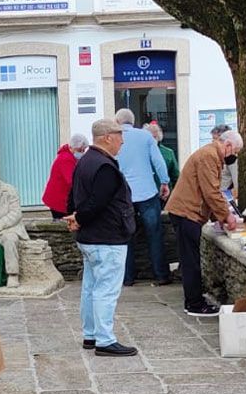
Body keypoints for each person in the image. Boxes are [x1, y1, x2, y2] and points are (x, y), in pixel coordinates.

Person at [64, 118, 138, 357]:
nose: (122, 141)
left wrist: (75, 217)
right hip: (106, 238)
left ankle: (91, 335)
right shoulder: (104, 166)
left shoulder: (85, 161)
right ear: (107, 137)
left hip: (90, 238)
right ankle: (105, 340)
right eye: (119, 135)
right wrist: (80, 218)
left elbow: (73, 196)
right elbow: (98, 202)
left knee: (90, 287)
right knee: (106, 289)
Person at [165, 130, 243, 317]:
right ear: (228, 145)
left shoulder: (210, 154)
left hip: (186, 212)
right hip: (187, 213)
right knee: (191, 261)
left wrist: (219, 217)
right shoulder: (209, 156)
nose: (234, 156)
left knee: (190, 259)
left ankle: (194, 299)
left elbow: (209, 193)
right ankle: (194, 304)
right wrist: (227, 217)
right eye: (236, 151)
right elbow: (211, 192)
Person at [114, 108, 172, 286]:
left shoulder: (113, 137)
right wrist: (164, 182)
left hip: (123, 194)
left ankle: (128, 277)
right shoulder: (145, 136)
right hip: (147, 192)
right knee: (154, 234)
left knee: (126, 236)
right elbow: (158, 161)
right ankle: (161, 274)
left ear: (117, 121)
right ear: (133, 121)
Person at [41, 133, 89, 219]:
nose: (82, 153)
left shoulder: (69, 156)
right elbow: (72, 181)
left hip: (60, 198)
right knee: (63, 225)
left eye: (84, 150)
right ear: (74, 148)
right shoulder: (66, 159)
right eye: (81, 150)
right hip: (59, 200)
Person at [144, 122, 178, 192]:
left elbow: (175, 177)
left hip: (156, 194)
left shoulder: (168, 153)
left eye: (154, 137)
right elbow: (176, 177)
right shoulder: (168, 153)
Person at [212, 124, 240, 203]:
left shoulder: (231, 158)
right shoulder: (220, 156)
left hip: (224, 199)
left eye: (215, 139)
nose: (213, 142)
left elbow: (237, 186)